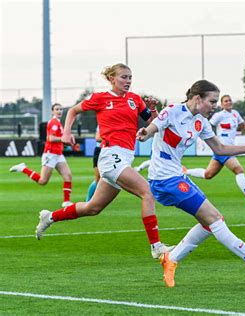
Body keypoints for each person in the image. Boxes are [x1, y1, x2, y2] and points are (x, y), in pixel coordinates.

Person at [137, 80, 245, 287]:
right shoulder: (172, 111)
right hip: (164, 180)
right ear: (197, 98)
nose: (214, 105)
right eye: (212, 101)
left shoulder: (201, 122)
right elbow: (152, 128)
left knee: (209, 223)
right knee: (215, 219)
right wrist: (145, 133)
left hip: (176, 177)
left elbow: (221, 149)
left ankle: (171, 258)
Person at [34, 63, 173, 259]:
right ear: (111, 79)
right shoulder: (100, 98)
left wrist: (151, 110)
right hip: (110, 156)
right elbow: (73, 111)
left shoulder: (135, 100)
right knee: (147, 192)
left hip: (124, 157)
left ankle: (49, 217)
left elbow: (152, 125)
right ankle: (156, 246)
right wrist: (66, 133)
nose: (128, 81)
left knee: (93, 208)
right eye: (124, 77)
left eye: (130, 77)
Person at [185, 94, 245, 205]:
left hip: (226, 149)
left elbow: (243, 127)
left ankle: (185, 171)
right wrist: (204, 140)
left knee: (208, 174)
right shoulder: (219, 115)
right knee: (239, 170)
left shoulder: (235, 114)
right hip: (223, 148)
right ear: (222, 104)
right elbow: (207, 125)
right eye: (226, 101)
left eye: (230, 100)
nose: (228, 102)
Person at [10, 103, 73, 207]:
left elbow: (59, 139)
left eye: (61, 109)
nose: (59, 111)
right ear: (52, 111)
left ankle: (66, 201)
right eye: (57, 109)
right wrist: (64, 139)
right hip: (50, 154)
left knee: (68, 176)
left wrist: (68, 140)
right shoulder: (53, 122)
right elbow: (51, 138)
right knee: (42, 181)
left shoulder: (58, 123)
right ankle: (23, 168)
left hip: (58, 154)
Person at [85, 127, 102, 201]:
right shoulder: (102, 122)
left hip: (109, 151)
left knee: (103, 179)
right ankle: (88, 200)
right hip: (99, 151)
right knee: (98, 179)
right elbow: (98, 138)